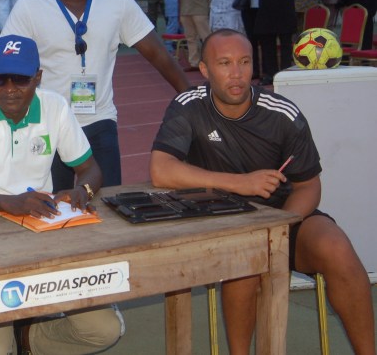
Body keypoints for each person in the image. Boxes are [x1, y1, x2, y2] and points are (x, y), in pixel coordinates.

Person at [149, 29, 375, 355]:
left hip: (281, 216)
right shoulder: (189, 106)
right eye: (224, 63)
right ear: (205, 70)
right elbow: (161, 170)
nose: (236, 73)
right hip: (218, 221)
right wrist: (240, 183)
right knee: (247, 260)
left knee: (336, 247)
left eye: (244, 62)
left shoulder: (282, 113)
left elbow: (309, 185)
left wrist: (278, 228)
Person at [0, 35, 125, 355]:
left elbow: (91, 169)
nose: (9, 88)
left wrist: (82, 190)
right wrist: (5, 202)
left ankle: (27, 339)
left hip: (41, 233)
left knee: (104, 330)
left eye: (21, 79)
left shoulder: (55, 107)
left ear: (38, 77)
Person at [2, 0, 190, 190]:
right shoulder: (30, 5)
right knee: (53, 202)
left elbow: (159, 55)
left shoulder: (117, 1)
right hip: (49, 122)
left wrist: (194, 100)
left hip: (100, 120)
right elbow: (6, 66)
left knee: (108, 199)